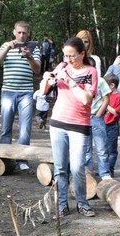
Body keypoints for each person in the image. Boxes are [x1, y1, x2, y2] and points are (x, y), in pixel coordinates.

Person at [41, 37, 98, 217]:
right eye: (66, 56)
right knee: (60, 168)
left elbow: (85, 99)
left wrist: (70, 80)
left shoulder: (91, 71)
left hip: (79, 125)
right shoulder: (61, 66)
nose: (69, 60)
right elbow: (43, 91)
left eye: (72, 56)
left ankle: (82, 203)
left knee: (77, 167)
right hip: (58, 122)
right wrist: (46, 79)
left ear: (82, 54)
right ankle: (61, 205)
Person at [0, 20, 41, 171]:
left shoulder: (34, 48)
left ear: (28, 33)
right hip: (8, 91)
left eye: (24, 33)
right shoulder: (5, 46)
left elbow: (37, 70)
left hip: (26, 92)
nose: (21, 35)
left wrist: (29, 56)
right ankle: (4, 157)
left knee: (25, 128)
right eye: (19, 32)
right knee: (6, 126)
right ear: (14, 32)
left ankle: (22, 159)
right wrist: (8, 48)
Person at [77, 29, 112, 179]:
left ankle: (104, 173)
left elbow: (100, 88)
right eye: (81, 41)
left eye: (86, 42)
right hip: (82, 114)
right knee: (85, 148)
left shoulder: (95, 60)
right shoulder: (72, 61)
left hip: (96, 113)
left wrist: (99, 112)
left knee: (101, 146)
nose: (84, 44)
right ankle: (88, 173)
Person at [103, 74, 120, 176]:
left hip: (112, 126)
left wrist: (106, 104)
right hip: (104, 125)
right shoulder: (107, 96)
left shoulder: (118, 97)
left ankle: (110, 170)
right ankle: (104, 169)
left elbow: (116, 113)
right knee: (104, 149)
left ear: (112, 85)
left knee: (112, 150)